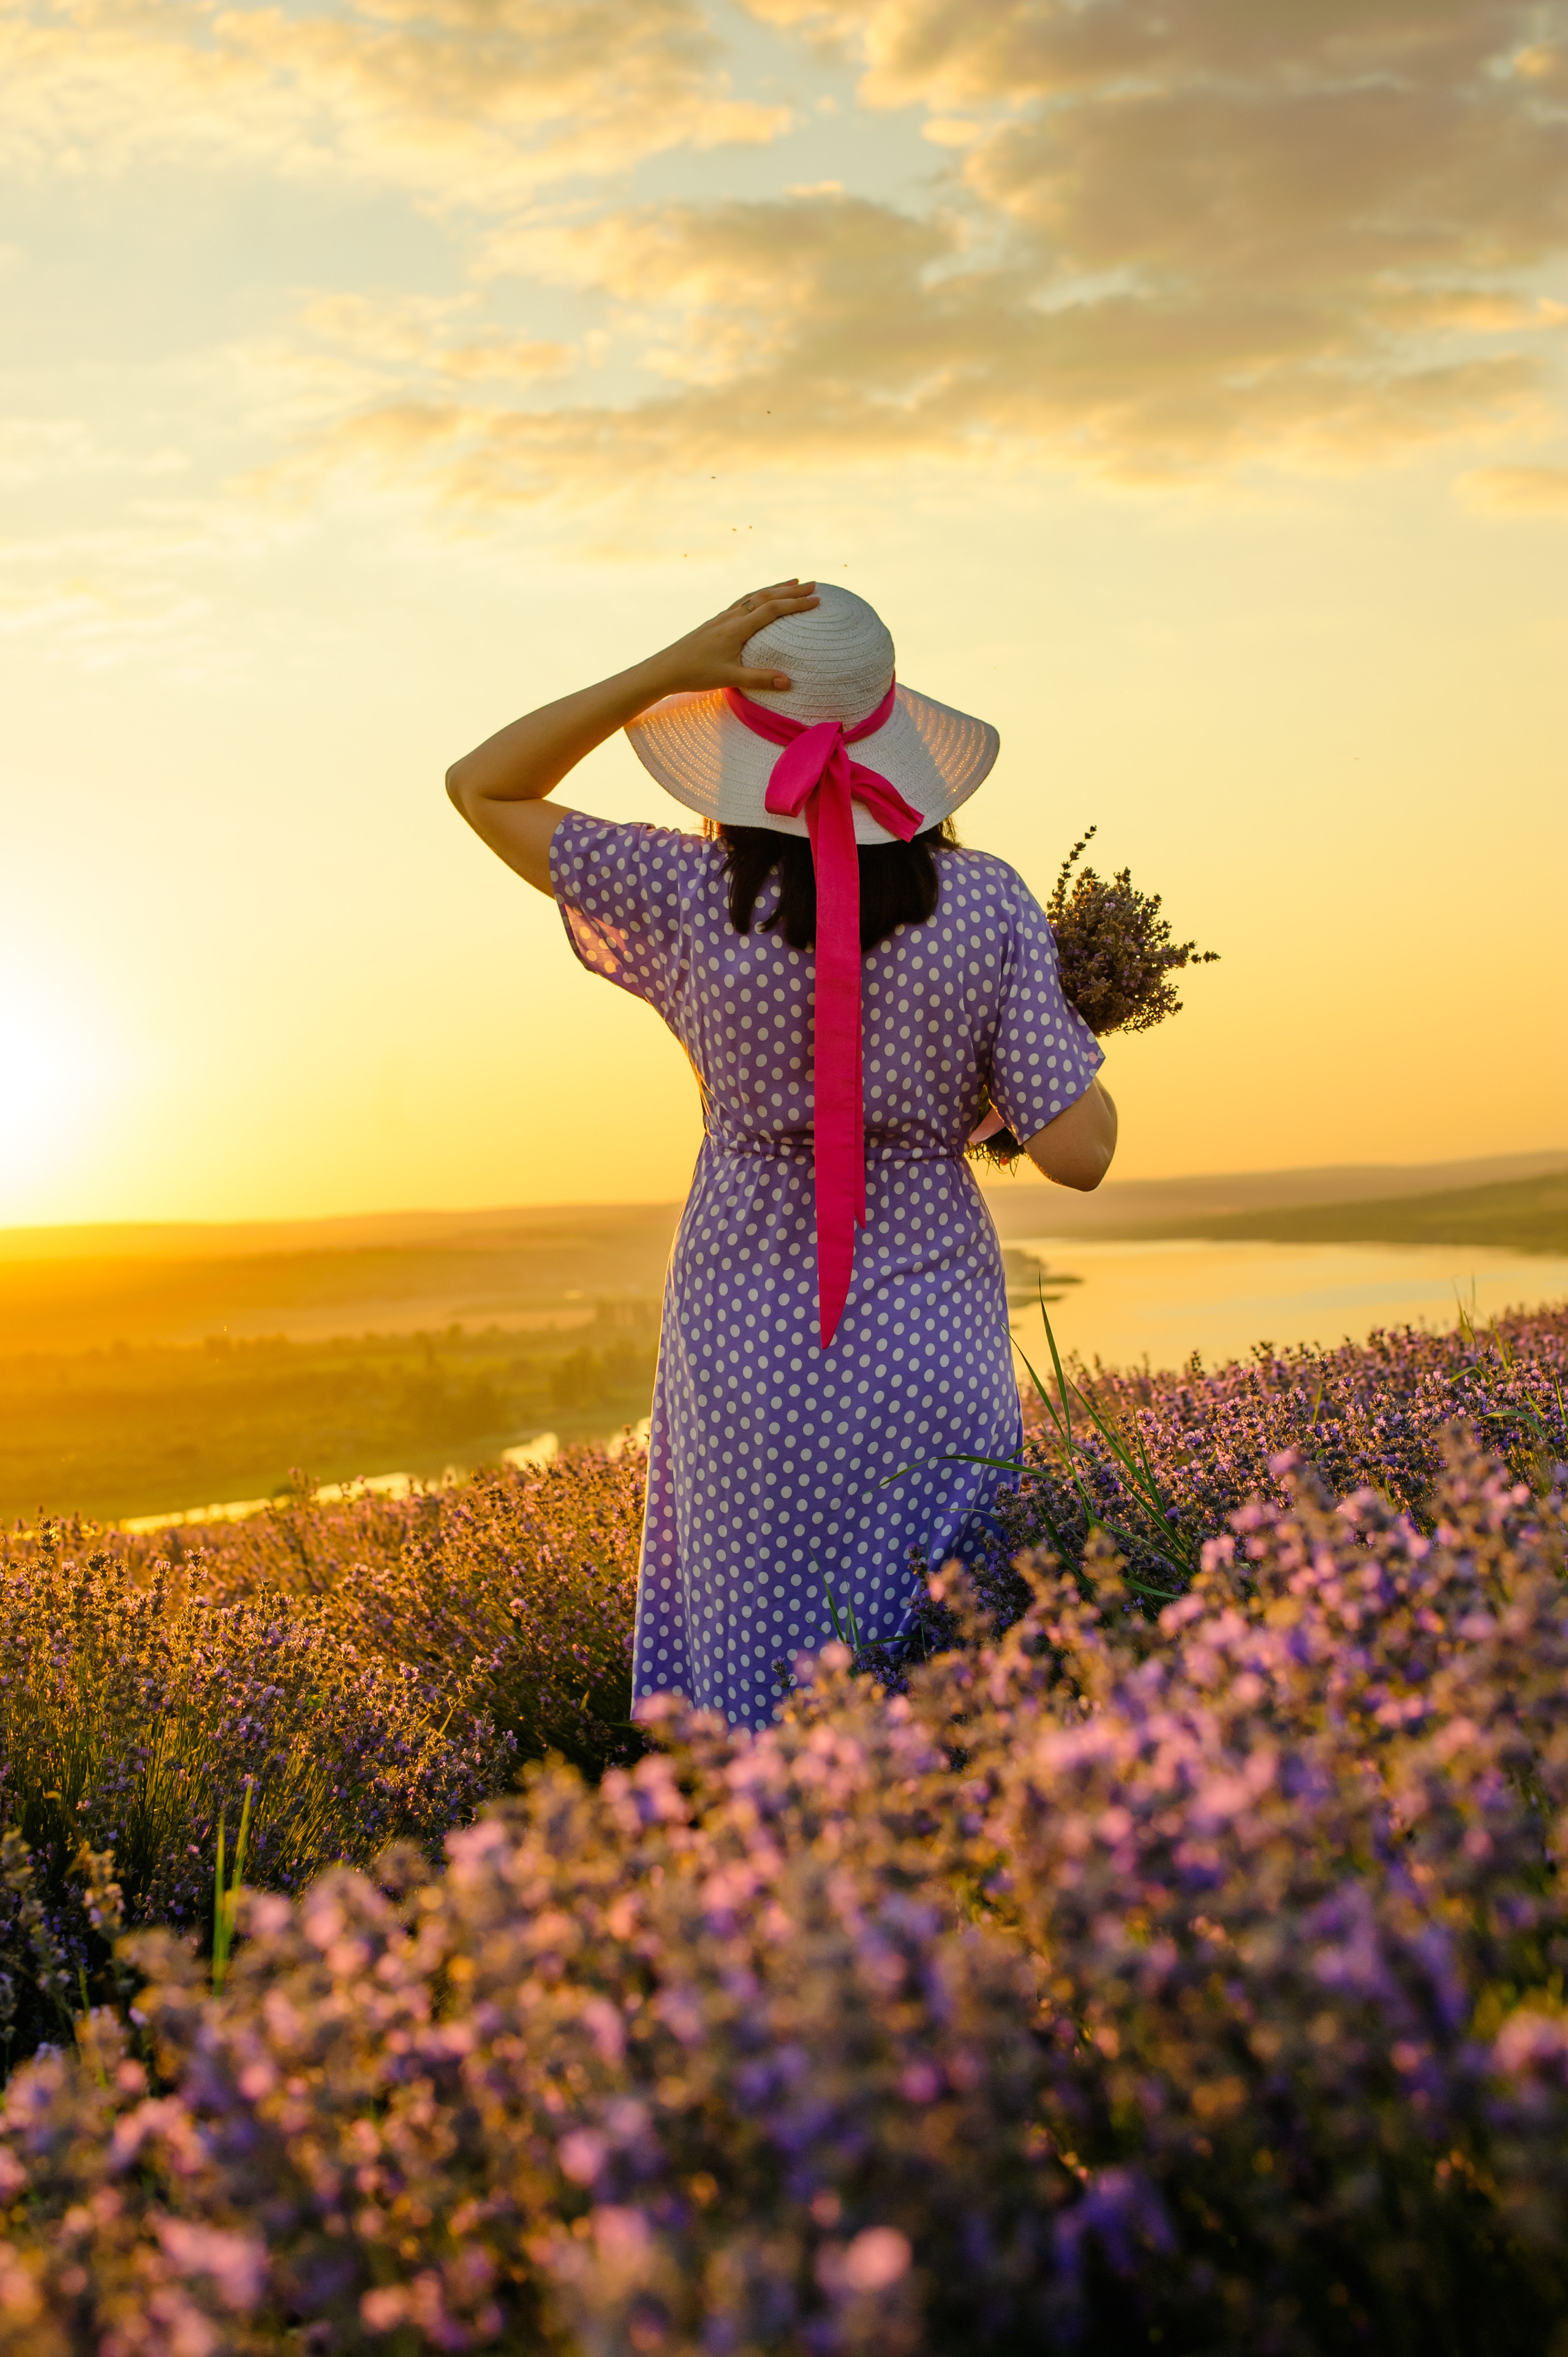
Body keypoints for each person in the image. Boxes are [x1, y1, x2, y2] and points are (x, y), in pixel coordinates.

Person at [447, 579, 1117, 1731]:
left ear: (735, 751)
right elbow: (1080, 1153)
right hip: (932, 1349)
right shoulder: (988, 904)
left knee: (761, 1672)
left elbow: (483, 785)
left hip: (750, 1350)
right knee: (949, 1677)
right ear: (899, 743)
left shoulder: (685, 889)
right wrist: (1057, 1038)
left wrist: (664, 671)